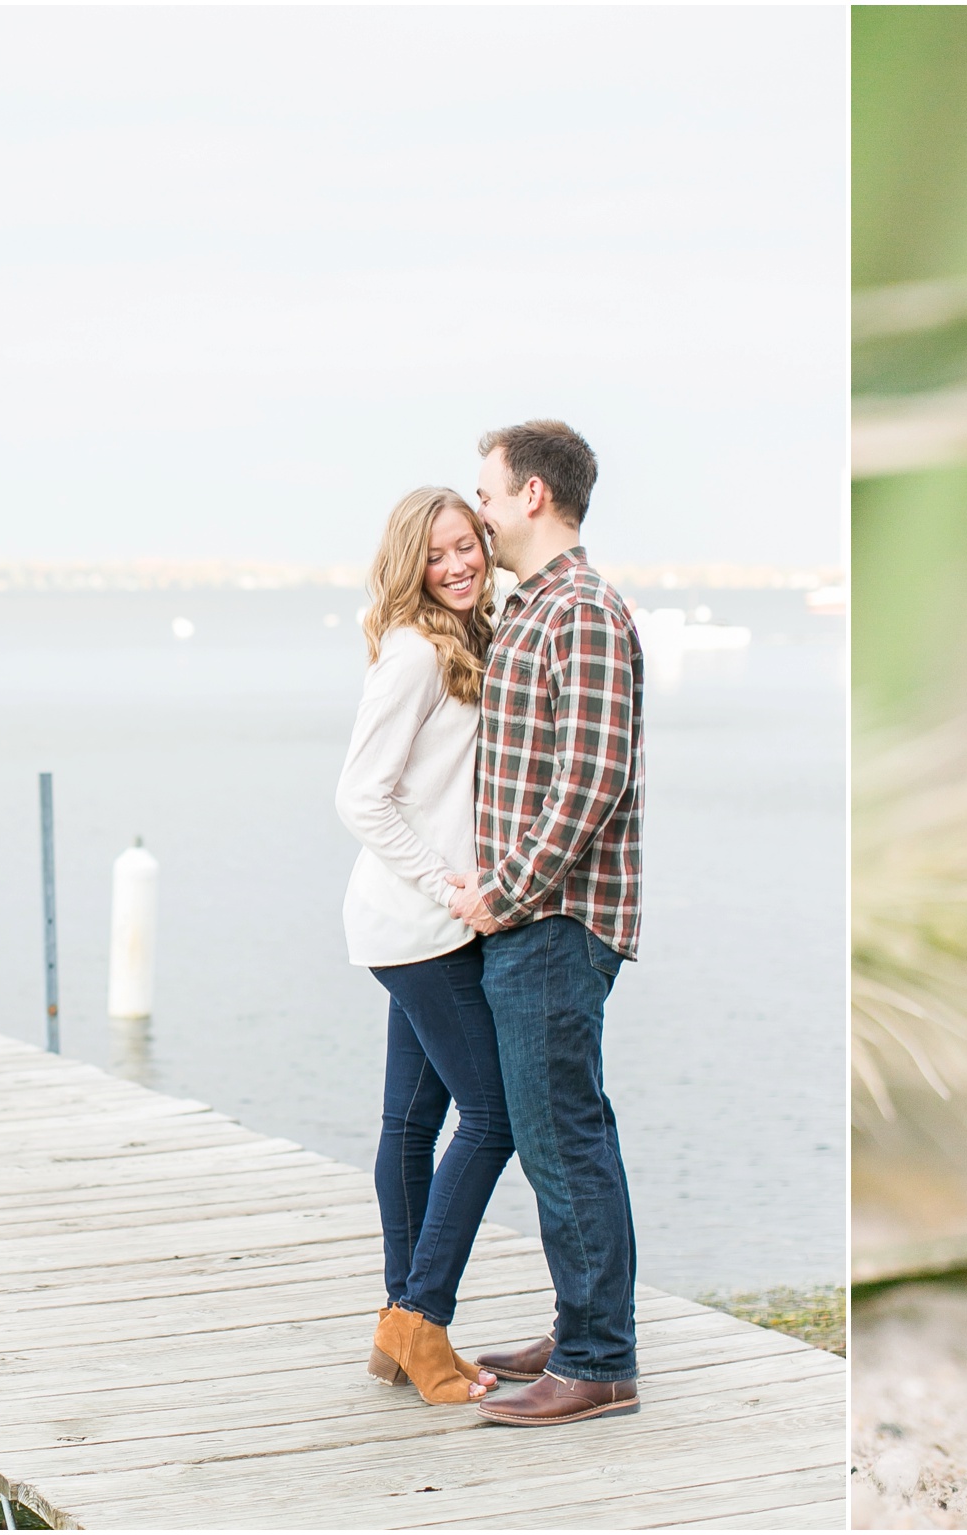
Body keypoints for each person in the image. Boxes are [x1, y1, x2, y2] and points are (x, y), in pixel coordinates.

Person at [448, 420, 648, 1427]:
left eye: (485, 493)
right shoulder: (534, 607)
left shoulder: (582, 610)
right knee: (559, 1131)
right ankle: (583, 1326)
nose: (477, 511)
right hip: (532, 917)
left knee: (563, 1136)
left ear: (531, 494)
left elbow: (592, 776)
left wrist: (503, 888)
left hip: (557, 919)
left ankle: (599, 1358)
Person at [337, 486, 509, 1405]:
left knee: (410, 1124)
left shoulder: (468, 637)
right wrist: (447, 880)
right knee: (494, 1116)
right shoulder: (409, 655)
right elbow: (360, 797)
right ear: (412, 562)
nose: (458, 564)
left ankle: (398, 1326)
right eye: (439, 553)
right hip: (419, 926)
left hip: (423, 925)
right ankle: (422, 1315)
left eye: (470, 545)